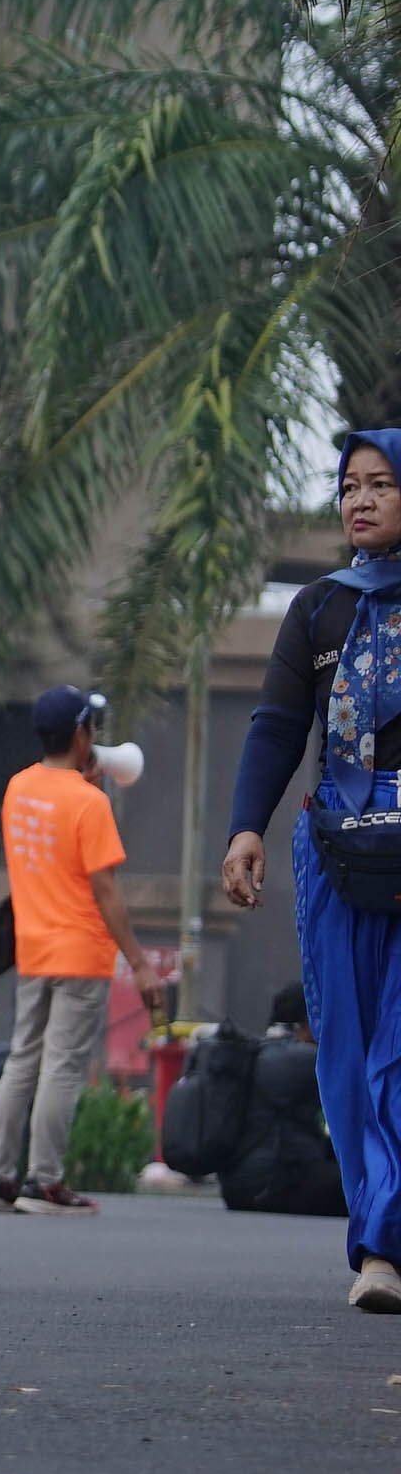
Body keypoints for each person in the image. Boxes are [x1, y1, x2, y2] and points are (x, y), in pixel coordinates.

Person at [221, 425, 401, 1310]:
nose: (360, 500)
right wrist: (244, 830)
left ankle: (385, 1243)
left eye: (381, 484)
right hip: (335, 850)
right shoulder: (319, 607)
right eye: (349, 486)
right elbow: (277, 726)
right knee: (347, 1047)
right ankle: (380, 1235)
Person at [0, 684, 147, 1214]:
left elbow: (49, 838)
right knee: (63, 1066)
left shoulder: (17, 788)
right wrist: (138, 961)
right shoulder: (90, 803)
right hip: (82, 952)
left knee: (22, 1058)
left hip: (33, 949)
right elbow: (105, 890)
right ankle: (44, 1182)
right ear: (81, 734)